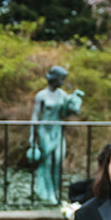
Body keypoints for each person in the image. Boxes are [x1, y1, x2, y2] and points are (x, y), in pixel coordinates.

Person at [29, 65, 85, 206]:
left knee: (58, 161)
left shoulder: (63, 95)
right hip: (45, 130)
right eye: (61, 78)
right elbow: (35, 116)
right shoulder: (41, 95)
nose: (63, 81)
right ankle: (49, 194)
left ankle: (56, 190)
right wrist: (32, 136)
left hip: (57, 130)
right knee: (47, 162)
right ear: (54, 78)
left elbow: (66, 113)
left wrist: (74, 102)